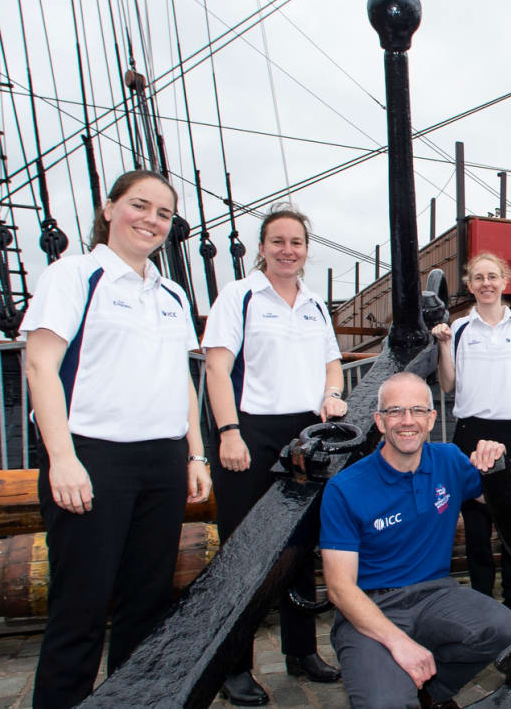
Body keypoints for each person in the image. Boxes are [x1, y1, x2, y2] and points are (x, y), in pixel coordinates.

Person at [20, 170, 212, 708]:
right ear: (109, 210)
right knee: (80, 606)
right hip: (94, 457)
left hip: (163, 460)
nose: (151, 220)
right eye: (139, 205)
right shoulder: (74, 274)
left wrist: (195, 453)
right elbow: (40, 364)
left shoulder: (172, 292)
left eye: (164, 214)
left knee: (146, 604)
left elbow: (181, 379)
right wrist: (62, 458)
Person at [202, 207, 346, 705]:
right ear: (261, 247)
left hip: (302, 433)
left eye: (297, 242)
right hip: (249, 431)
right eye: (278, 241)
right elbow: (217, 369)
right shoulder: (239, 297)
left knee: (299, 548)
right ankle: (232, 665)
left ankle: (301, 651)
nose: (288, 250)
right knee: (242, 554)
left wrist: (333, 394)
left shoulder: (315, 304)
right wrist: (228, 433)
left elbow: (332, 363)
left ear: (307, 249)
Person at [320, 372, 511, 709]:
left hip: (435, 595)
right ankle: (394, 676)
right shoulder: (345, 488)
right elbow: (340, 589)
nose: (407, 421)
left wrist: (497, 462)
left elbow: (503, 500)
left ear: (431, 418)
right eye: (395, 411)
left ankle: (432, 691)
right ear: (379, 422)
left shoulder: (450, 460)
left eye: (417, 411)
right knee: (383, 704)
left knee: (502, 627)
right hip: (371, 605)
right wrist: (399, 643)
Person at [432, 252, 511, 618]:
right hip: (472, 432)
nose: (486, 283)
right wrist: (441, 344)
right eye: (479, 278)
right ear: (470, 285)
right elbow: (449, 384)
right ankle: (483, 601)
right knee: (478, 524)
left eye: (493, 276)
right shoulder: (460, 329)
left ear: (504, 281)